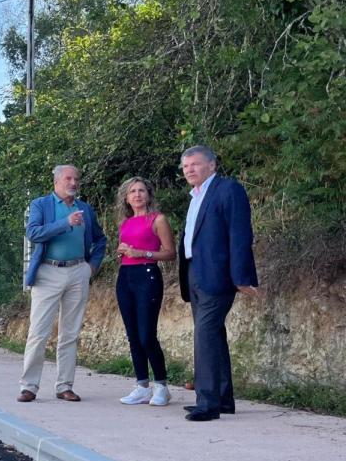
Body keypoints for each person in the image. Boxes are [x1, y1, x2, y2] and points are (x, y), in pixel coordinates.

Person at [178, 146, 259, 422]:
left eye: (195, 164)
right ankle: (223, 399)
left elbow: (239, 234)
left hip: (217, 276)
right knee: (213, 336)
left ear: (212, 165)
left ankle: (207, 403)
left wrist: (242, 277)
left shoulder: (228, 190)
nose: (189, 169)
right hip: (194, 273)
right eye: (185, 166)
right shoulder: (195, 196)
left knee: (205, 336)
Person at [18, 165, 107, 403]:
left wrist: (92, 266)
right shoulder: (41, 205)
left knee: (70, 333)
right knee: (38, 332)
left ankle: (64, 386)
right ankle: (29, 386)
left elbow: (100, 240)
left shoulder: (85, 209)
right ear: (57, 181)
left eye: (77, 178)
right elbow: (33, 233)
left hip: (78, 271)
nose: (74, 182)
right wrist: (65, 223)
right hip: (48, 271)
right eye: (68, 178)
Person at [113, 177, 176, 406]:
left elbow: (170, 253)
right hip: (125, 277)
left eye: (141, 191)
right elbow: (127, 250)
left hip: (148, 276)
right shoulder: (125, 223)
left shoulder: (158, 220)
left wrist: (142, 253)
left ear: (148, 195)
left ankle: (161, 385)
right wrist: (123, 252)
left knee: (146, 334)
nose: (137, 195)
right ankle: (141, 385)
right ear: (126, 198)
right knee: (133, 335)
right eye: (132, 192)